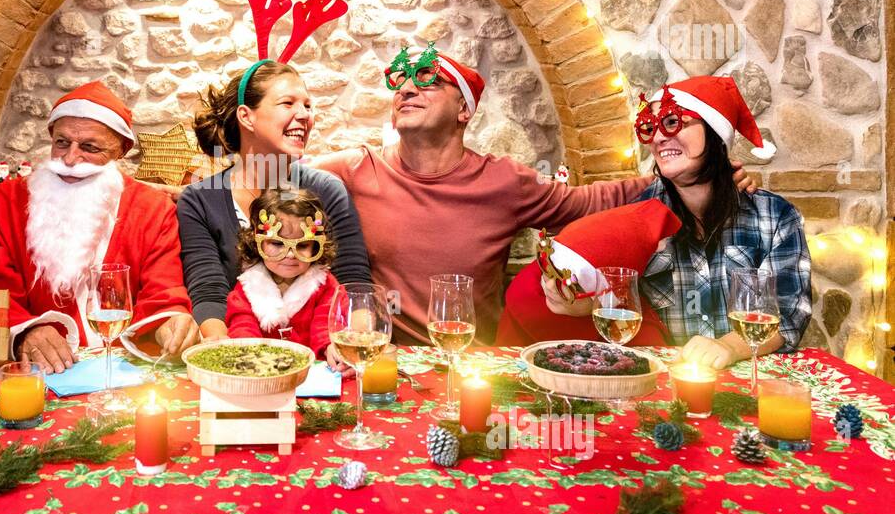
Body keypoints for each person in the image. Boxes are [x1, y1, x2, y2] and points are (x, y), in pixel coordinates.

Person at [312, 44, 658, 346]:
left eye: (428, 81)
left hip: (474, 362)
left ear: (464, 110)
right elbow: (273, 180)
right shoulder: (356, 168)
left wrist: (671, 179)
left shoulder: (505, 181)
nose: (407, 89)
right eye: (399, 84)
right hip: (388, 363)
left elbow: (587, 202)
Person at [542, 76, 811, 368]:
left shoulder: (775, 217)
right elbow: (618, 302)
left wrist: (728, 347)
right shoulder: (636, 217)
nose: (657, 138)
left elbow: (788, 313)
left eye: (672, 122)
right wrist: (582, 303)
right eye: (649, 127)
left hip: (749, 385)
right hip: (666, 388)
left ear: (715, 133)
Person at [179, 0, 371, 341]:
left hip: (321, 359)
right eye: (288, 104)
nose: (304, 115)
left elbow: (353, 284)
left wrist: (356, 345)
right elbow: (209, 291)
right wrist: (222, 354)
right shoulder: (199, 200)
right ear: (246, 117)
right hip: (241, 353)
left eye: (308, 105)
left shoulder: (327, 190)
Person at [0, 81, 198, 374]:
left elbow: (163, 293)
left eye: (90, 147)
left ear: (120, 152)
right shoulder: (0, 204)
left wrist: (170, 322)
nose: (70, 159)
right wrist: (24, 331)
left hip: (125, 369)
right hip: (39, 373)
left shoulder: (153, 209)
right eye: (62, 142)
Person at [496, 199, 681, 346]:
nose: (549, 284)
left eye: (567, 281)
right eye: (546, 266)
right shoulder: (526, 294)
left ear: (604, 298)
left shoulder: (635, 329)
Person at [226, 189, 340, 355]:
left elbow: (326, 326)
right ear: (257, 243)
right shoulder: (248, 287)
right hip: (263, 371)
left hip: (313, 371)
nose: (290, 254)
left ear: (316, 246)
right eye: (277, 243)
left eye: (302, 245)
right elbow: (242, 326)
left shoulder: (326, 286)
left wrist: (330, 348)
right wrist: (249, 352)